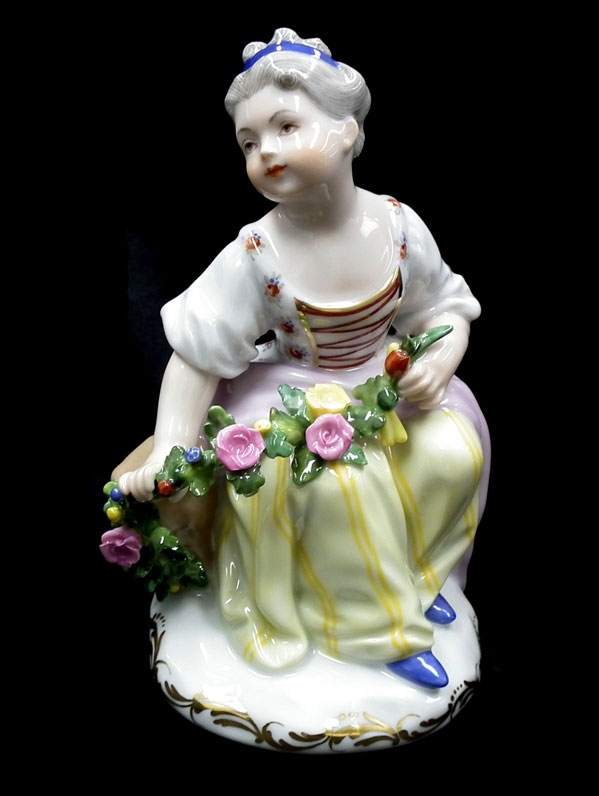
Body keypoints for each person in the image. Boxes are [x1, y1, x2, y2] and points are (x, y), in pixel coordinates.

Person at [118, 28, 490, 689]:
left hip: (384, 388)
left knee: (454, 451)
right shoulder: (254, 255)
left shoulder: (398, 226)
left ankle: (413, 580)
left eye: (286, 127)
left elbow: (445, 308)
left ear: (347, 130)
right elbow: (195, 358)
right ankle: (375, 630)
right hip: (294, 401)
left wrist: (442, 358)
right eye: (249, 142)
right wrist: (170, 444)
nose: (266, 151)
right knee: (338, 483)